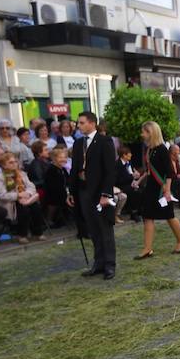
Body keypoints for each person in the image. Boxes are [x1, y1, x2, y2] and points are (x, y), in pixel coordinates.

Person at [69, 112, 117, 280]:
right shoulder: (77, 144)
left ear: (91, 123)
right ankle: (99, 263)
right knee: (93, 229)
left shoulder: (105, 142)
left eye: (81, 123)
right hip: (83, 190)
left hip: (99, 191)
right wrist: (71, 190)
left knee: (105, 228)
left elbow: (110, 170)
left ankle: (110, 264)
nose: (79, 126)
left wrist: (106, 194)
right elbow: (74, 169)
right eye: (78, 123)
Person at [133, 121, 180, 258]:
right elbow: (149, 170)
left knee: (169, 216)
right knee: (148, 216)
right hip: (151, 186)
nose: (142, 134)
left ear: (152, 133)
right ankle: (147, 248)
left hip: (162, 187)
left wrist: (167, 190)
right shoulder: (149, 149)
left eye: (144, 132)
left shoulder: (162, 149)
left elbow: (169, 172)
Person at [0, 152, 46, 244]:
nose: (15, 164)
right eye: (11, 162)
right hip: (11, 202)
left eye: (15, 161)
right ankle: (22, 234)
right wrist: (18, 195)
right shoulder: (0, 177)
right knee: (23, 209)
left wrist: (27, 193)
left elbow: (31, 186)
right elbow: (1, 195)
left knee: (36, 207)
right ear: (4, 165)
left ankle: (38, 232)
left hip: (26, 198)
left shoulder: (22, 173)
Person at [43, 148, 71, 228]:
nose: (63, 159)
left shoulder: (63, 169)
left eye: (65, 157)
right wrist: (67, 193)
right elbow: (54, 187)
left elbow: (68, 181)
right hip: (54, 194)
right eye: (60, 157)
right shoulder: (51, 170)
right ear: (54, 158)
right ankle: (50, 219)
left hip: (64, 192)